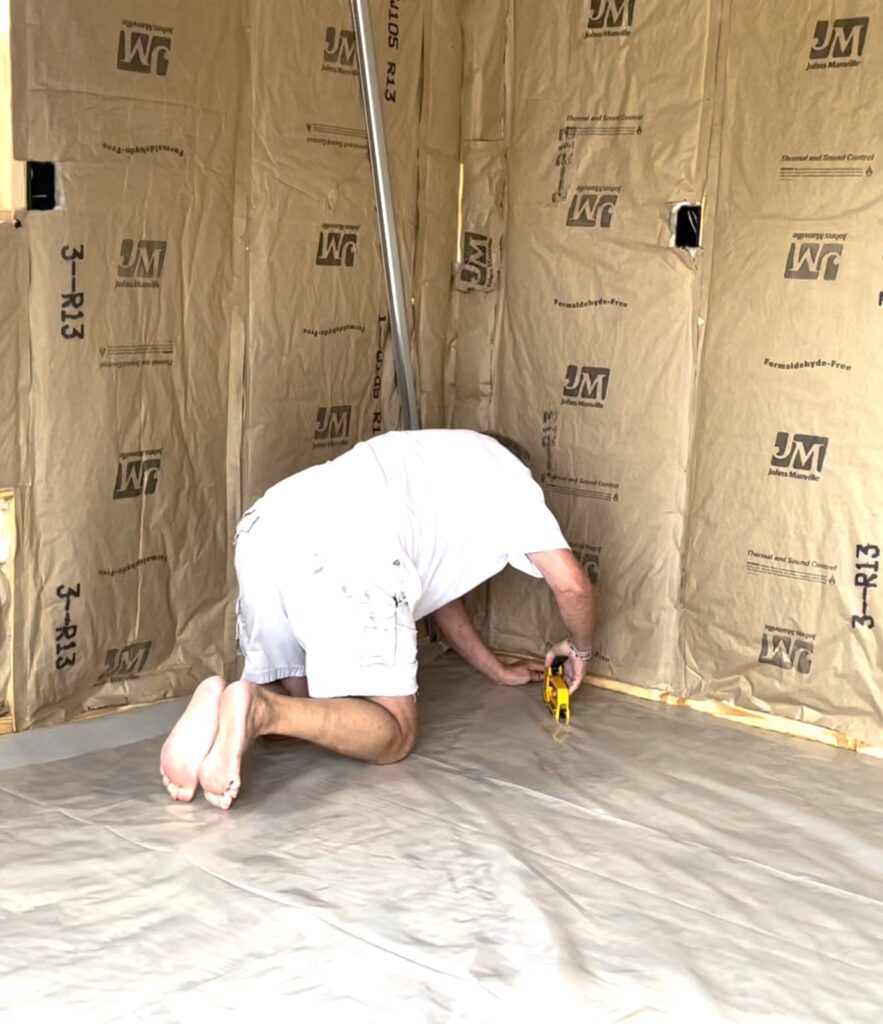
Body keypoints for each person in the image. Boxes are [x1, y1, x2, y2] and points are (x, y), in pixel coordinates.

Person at [160, 429, 595, 809]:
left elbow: (441, 596)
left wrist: (495, 669)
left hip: (269, 522)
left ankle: (223, 704)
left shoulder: (434, 459)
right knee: (394, 733)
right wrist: (578, 649)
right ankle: (256, 707)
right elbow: (572, 584)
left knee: (311, 714)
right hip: (351, 539)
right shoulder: (511, 476)